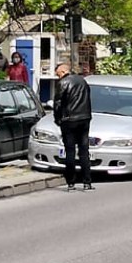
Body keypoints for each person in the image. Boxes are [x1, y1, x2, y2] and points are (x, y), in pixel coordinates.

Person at [53, 63, 94, 191]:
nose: (58, 76)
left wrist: (58, 119)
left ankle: (71, 182)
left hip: (69, 120)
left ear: (64, 71)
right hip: (84, 118)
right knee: (83, 151)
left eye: (58, 73)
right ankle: (87, 182)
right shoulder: (83, 81)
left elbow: (58, 103)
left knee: (70, 151)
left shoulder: (63, 83)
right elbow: (87, 97)